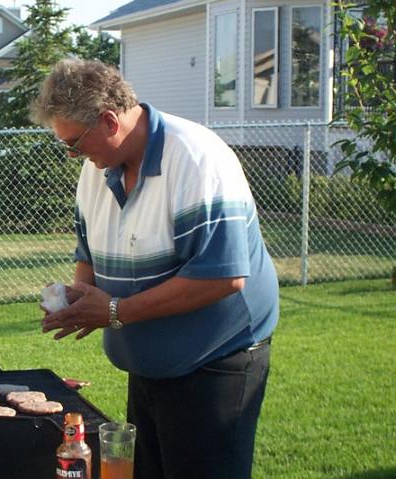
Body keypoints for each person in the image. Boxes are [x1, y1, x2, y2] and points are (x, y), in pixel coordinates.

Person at [31, 59, 279, 479]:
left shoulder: (197, 158)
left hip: (215, 364)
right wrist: (80, 298)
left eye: (74, 143)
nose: (72, 154)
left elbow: (223, 276)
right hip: (149, 366)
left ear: (109, 122)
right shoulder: (97, 170)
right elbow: (87, 252)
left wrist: (114, 312)